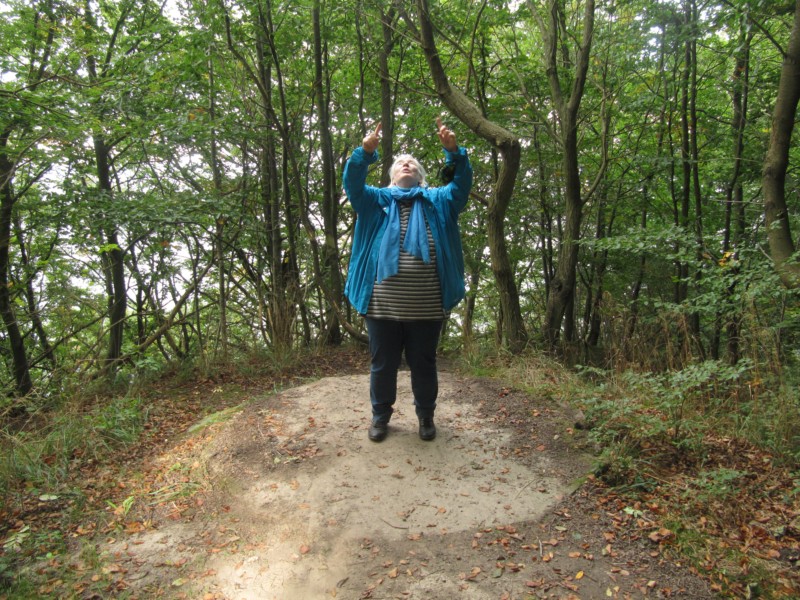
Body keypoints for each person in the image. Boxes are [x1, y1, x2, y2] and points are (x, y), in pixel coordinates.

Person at [342, 117, 473, 442]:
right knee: (382, 365)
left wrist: (454, 153)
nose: (406, 165)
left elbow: (461, 186)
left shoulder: (439, 201)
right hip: (381, 305)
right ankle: (380, 417)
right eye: (400, 162)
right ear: (391, 176)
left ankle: (426, 416)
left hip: (426, 307)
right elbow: (353, 186)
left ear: (420, 176)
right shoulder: (375, 201)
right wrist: (364, 153)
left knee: (424, 364)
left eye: (412, 164)